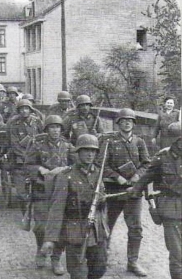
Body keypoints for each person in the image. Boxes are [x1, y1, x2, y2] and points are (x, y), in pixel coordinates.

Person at [42, 134, 109, 279]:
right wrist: (50, 238)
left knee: (99, 269)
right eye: (85, 150)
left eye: (93, 151)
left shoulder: (98, 173)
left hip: (96, 230)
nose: (90, 154)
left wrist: (102, 201)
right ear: (78, 152)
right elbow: (57, 209)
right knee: (77, 273)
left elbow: (102, 205)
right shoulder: (66, 176)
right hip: (75, 231)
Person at [127, 122, 182, 279]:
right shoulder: (162, 158)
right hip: (172, 209)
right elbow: (146, 178)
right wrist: (135, 189)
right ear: (176, 140)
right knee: (178, 254)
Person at [101, 108, 150, 277]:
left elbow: (147, 164)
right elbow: (103, 166)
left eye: (130, 120)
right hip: (114, 191)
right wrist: (117, 177)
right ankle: (102, 257)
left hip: (133, 192)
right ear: (118, 123)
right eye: (123, 120)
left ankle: (133, 262)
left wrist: (137, 176)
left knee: (135, 228)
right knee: (106, 225)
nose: (127, 122)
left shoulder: (139, 142)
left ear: (133, 123)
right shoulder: (109, 142)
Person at [25, 115, 75, 275]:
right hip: (42, 191)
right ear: (46, 129)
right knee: (40, 226)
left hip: (62, 192)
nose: (55, 130)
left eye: (58, 127)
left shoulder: (68, 146)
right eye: (52, 127)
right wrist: (40, 170)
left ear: (61, 129)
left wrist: (66, 169)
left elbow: (77, 165)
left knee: (61, 226)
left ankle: (56, 258)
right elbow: (28, 165)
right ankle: (41, 250)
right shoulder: (38, 145)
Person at [8, 99, 43, 214]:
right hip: (20, 159)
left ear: (30, 110)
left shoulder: (37, 122)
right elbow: (15, 144)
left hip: (37, 158)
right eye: (21, 109)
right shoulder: (14, 124)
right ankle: (25, 212)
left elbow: (43, 137)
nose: (24, 111)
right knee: (21, 192)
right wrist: (26, 157)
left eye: (26, 108)